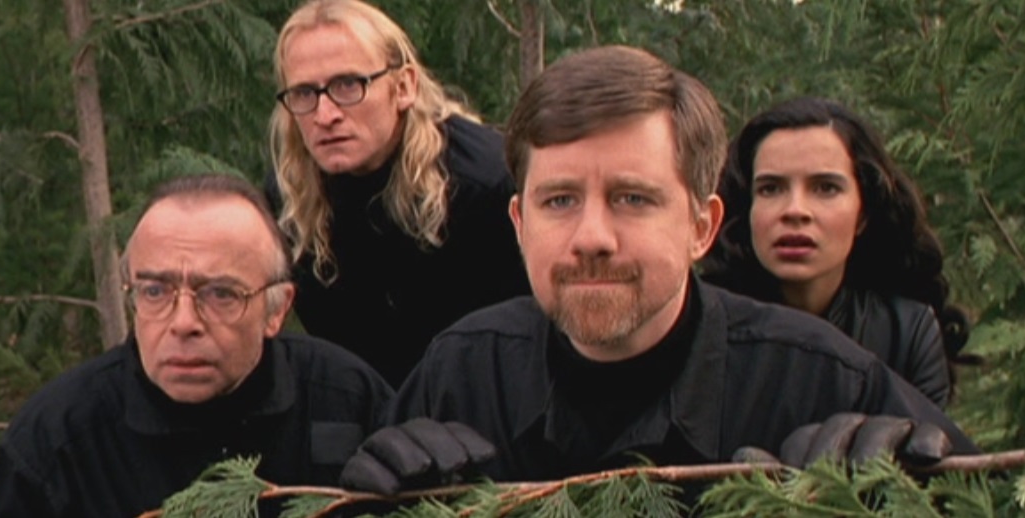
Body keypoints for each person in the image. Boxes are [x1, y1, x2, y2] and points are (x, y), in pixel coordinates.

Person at [337, 46, 979, 495]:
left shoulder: (818, 382)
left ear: (701, 226)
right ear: (519, 223)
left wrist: (916, 494)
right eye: (559, 201)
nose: (592, 238)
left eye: (632, 198)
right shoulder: (463, 377)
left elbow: (993, 496)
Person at [0, 174, 393, 517]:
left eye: (221, 294)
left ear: (277, 309)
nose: (184, 323)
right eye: (155, 291)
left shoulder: (345, 400)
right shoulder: (56, 445)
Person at [265, 0, 529, 386]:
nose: (325, 115)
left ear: (404, 87)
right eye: (304, 93)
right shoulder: (291, 199)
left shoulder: (485, 187)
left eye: (348, 85)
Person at [699, 97, 968, 407]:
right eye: (770, 188)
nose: (795, 210)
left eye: (825, 188)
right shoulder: (700, 330)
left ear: (863, 213)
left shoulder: (906, 332)